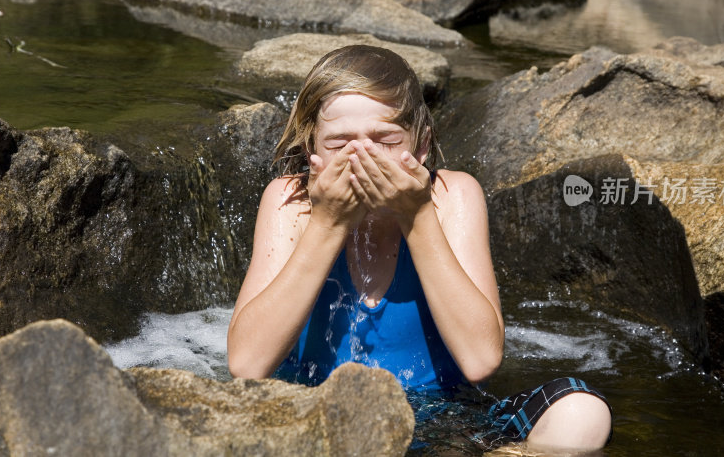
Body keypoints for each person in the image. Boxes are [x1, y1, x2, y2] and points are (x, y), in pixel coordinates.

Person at [227, 44, 612, 453]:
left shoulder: (450, 197)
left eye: (385, 140)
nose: (363, 158)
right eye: (340, 145)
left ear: (422, 146)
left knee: (583, 415)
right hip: (315, 415)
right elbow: (247, 366)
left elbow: (481, 361)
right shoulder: (293, 203)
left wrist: (417, 216)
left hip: (441, 418)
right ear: (312, 152)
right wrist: (328, 224)